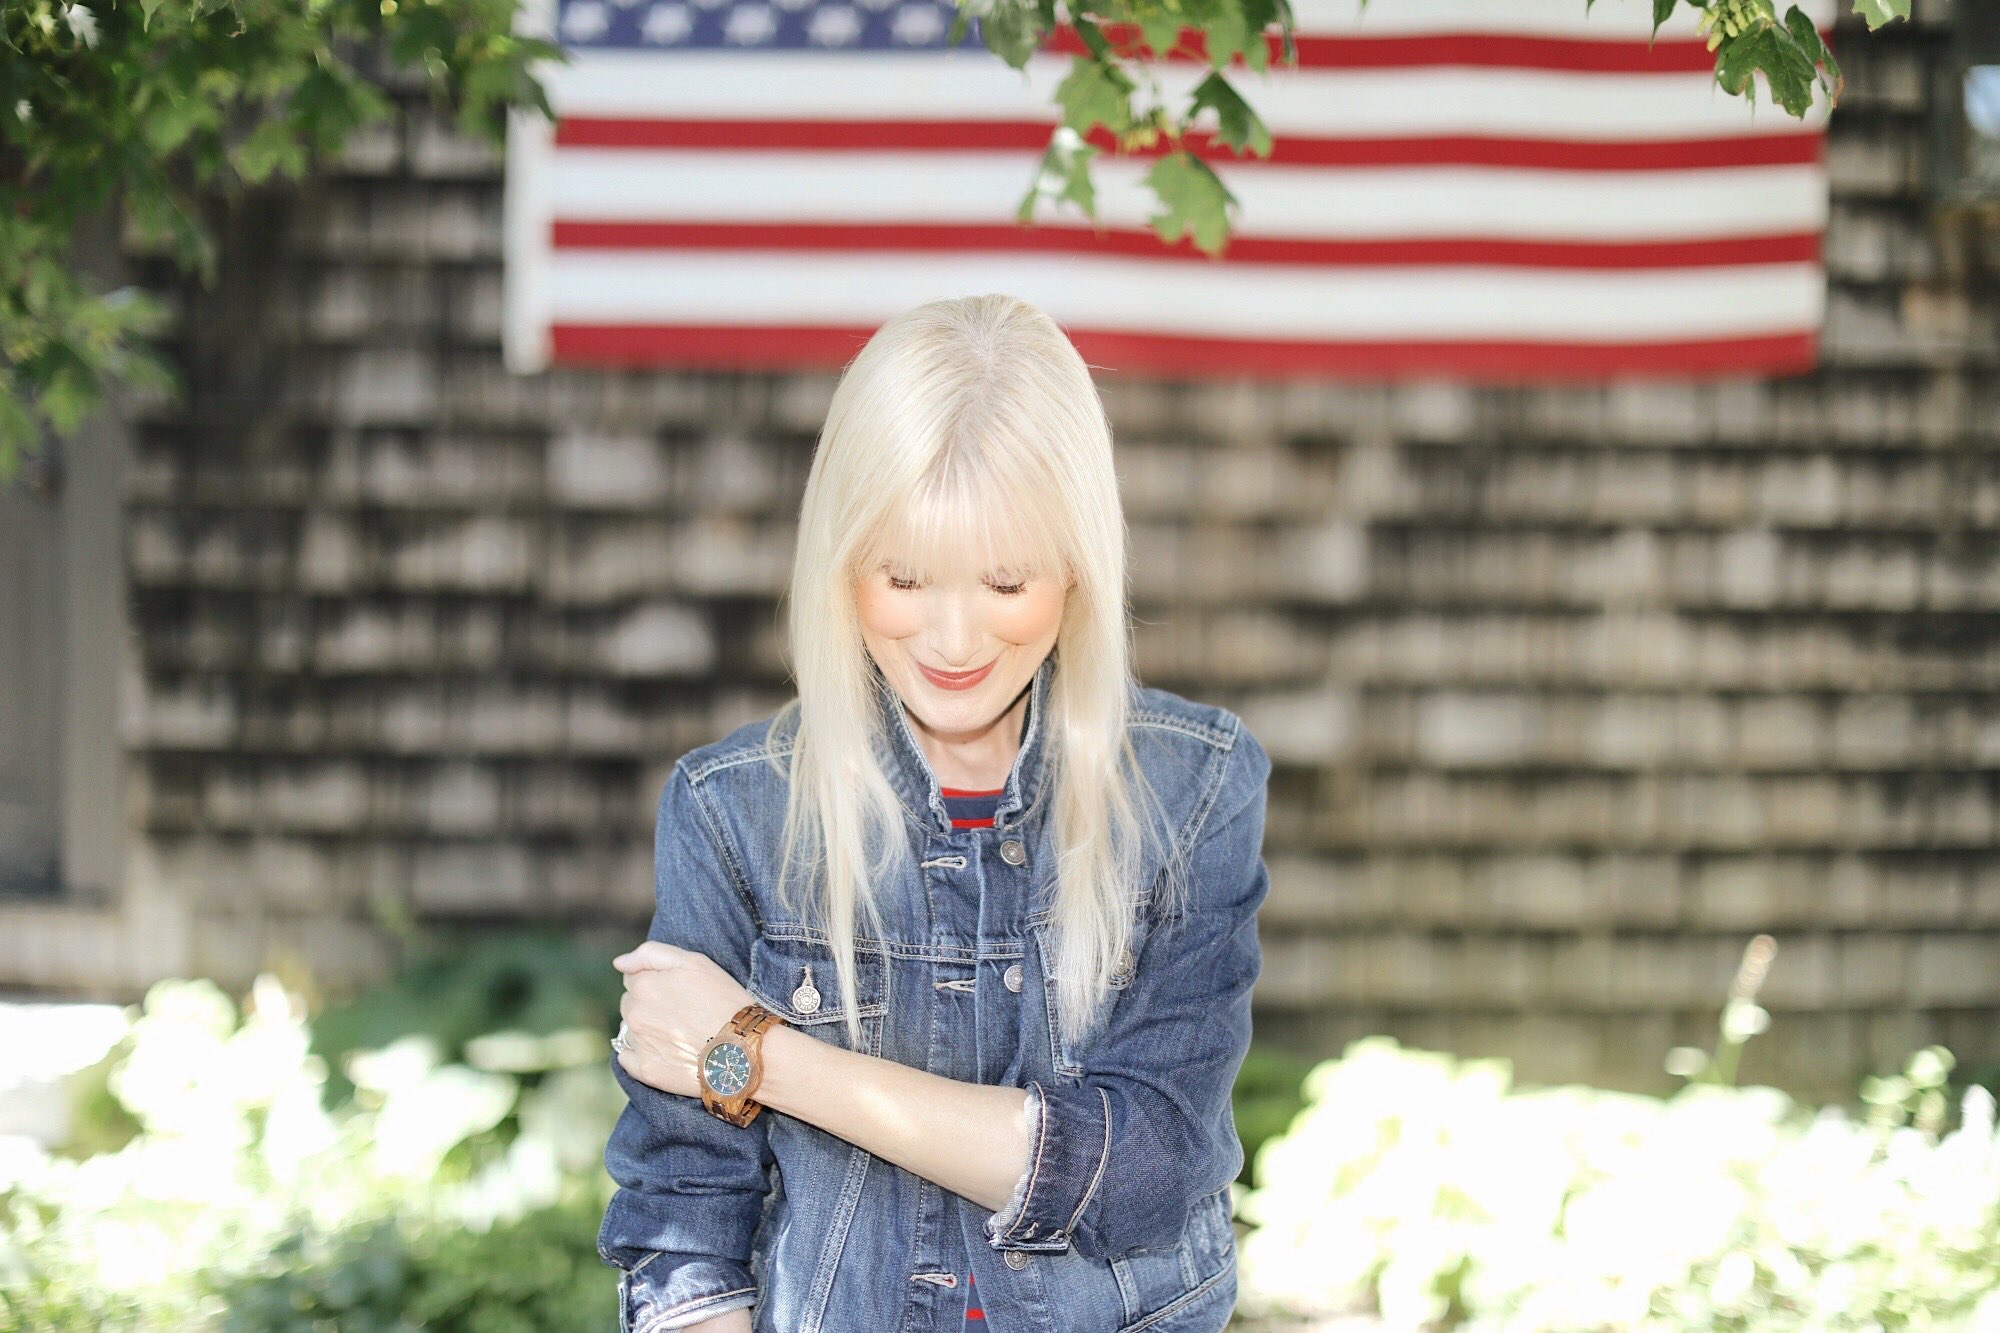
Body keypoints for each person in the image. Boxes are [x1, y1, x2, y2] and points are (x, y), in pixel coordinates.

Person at [597, 292, 1272, 1333]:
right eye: (903, 576)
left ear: (1077, 570)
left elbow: (1142, 1168)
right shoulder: (732, 810)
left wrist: (757, 1053)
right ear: (839, 563)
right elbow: (685, 1217)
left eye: (1004, 581)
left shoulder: (1195, 791)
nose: (952, 639)